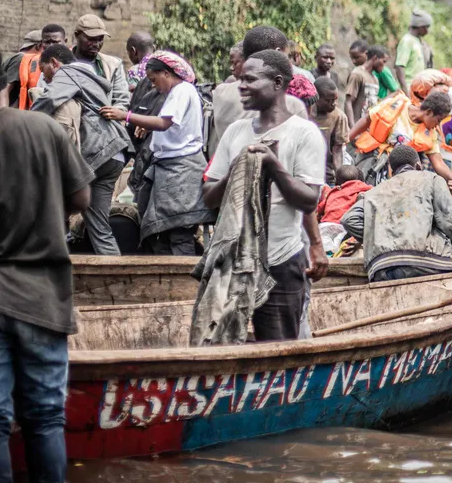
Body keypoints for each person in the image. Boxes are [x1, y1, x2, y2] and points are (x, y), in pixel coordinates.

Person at [203, 50, 328, 340]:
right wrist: (235, 169)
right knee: (218, 344)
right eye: (240, 79)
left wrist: (274, 166)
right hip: (232, 264)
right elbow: (209, 196)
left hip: (281, 262)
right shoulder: (236, 132)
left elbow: (309, 200)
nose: (241, 86)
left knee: (278, 350)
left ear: (277, 82)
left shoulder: (304, 133)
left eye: (250, 79)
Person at [0, 107, 92, 482]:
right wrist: (47, 207)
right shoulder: (43, 127)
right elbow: (82, 198)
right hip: (42, 298)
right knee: (46, 418)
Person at [101, 51, 214, 255]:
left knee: (178, 231)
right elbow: (173, 126)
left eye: (154, 80)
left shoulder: (182, 90)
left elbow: (164, 123)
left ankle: (183, 281)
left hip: (180, 170)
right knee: (158, 228)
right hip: (167, 168)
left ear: (166, 73)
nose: (154, 85)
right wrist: (148, 126)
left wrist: (126, 115)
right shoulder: (176, 92)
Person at [33, 44, 130, 255]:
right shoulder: (89, 77)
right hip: (115, 153)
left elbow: (49, 99)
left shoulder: (66, 72)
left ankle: (51, 269)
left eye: (45, 72)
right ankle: (116, 278)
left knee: (50, 206)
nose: (47, 79)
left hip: (94, 151)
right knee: (99, 227)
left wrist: (26, 120)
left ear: (54, 63)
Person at [341, 144, 452, 282]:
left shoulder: (373, 192)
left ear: (391, 171)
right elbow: (449, 222)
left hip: (381, 268)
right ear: (418, 166)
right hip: (427, 263)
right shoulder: (432, 179)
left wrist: (378, 239)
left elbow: (349, 219)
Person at [71, 14, 129, 107]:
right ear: (77, 35)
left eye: (100, 39)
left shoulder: (113, 65)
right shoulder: (60, 62)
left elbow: (121, 101)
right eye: (91, 39)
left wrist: (112, 115)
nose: (96, 44)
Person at [311, 77, 350, 184]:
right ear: (316, 98)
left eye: (335, 100)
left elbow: (337, 151)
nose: (334, 103)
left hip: (327, 177)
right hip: (306, 174)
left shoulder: (339, 117)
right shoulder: (305, 113)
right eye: (329, 100)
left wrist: (339, 177)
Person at [0, 29, 43, 109]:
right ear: (39, 46)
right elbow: (5, 89)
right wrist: (4, 113)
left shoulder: (26, 60)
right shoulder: (21, 59)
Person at [394, 9, 434, 91]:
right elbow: (399, 66)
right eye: (426, 27)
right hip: (409, 87)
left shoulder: (419, 41)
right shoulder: (407, 41)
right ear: (420, 26)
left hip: (418, 87)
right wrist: (405, 90)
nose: (428, 31)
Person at [345, 42, 383, 125]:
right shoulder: (357, 74)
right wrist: (352, 128)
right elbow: (348, 102)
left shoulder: (375, 78)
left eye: (357, 57)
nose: (354, 61)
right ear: (375, 58)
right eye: (383, 61)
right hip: (357, 126)